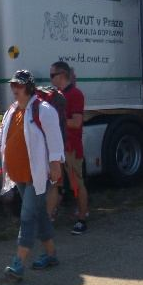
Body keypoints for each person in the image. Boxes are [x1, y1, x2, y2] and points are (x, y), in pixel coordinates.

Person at [0, 70, 64, 282]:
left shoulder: (44, 110)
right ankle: (51, 255)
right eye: (13, 85)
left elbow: (55, 140)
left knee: (27, 215)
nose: (14, 89)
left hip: (38, 175)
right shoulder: (12, 111)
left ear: (28, 87)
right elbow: (1, 137)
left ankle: (18, 263)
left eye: (18, 86)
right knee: (38, 214)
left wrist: (55, 164)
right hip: (18, 174)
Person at [49, 61, 89, 235]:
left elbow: (77, 122)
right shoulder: (56, 95)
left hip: (71, 148)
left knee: (76, 185)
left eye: (52, 75)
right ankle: (48, 218)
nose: (51, 79)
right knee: (55, 185)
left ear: (62, 75)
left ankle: (82, 218)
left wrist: (57, 121)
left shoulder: (75, 94)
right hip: (58, 148)